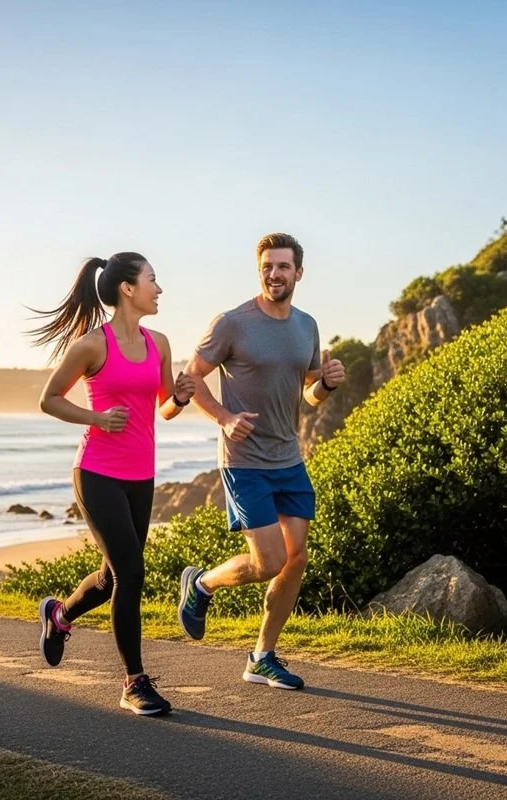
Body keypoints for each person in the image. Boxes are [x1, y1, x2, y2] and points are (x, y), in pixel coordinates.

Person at [29, 252, 194, 716]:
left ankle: (59, 616)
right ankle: (134, 683)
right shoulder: (91, 346)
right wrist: (97, 417)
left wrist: (179, 398)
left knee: (109, 578)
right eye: (152, 281)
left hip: (141, 476)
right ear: (127, 288)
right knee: (131, 573)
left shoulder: (159, 342)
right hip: (97, 472)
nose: (158, 290)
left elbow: (163, 406)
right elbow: (49, 400)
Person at [178, 232, 346, 690]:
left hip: (288, 458)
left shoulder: (306, 326)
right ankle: (202, 585)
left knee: (295, 559)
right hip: (244, 460)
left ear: (299, 273)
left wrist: (327, 384)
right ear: (260, 271)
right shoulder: (232, 322)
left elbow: (310, 395)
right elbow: (192, 378)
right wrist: (225, 417)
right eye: (267, 267)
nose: (275, 274)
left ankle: (261, 657)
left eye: (283, 267)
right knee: (269, 561)